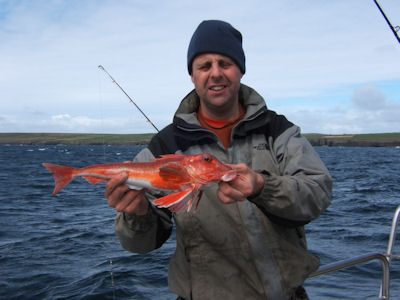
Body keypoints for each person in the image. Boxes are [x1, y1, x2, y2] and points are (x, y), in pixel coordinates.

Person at [106, 20, 332, 300]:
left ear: (240, 70)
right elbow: (139, 245)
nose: (215, 74)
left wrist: (263, 187)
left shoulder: (278, 131)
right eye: (204, 66)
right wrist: (136, 215)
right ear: (192, 75)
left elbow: (318, 193)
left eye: (225, 63)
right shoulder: (164, 146)